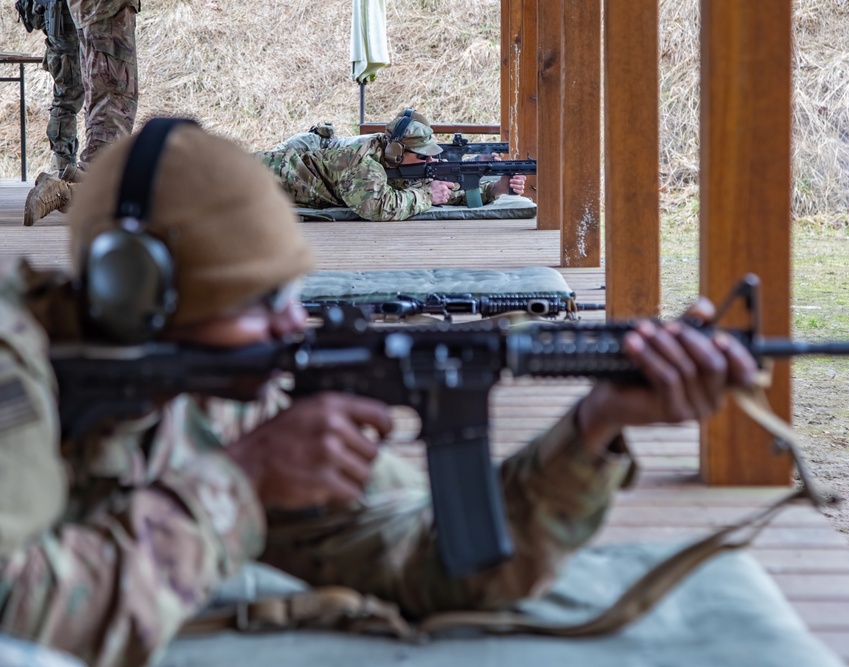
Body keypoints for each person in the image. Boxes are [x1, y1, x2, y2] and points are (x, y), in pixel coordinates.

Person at [0, 122, 756, 666]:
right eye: (259, 303)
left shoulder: (225, 397)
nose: (294, 323)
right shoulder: (17, 367)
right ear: (135, 298)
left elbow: (437, 566)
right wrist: (242, 484)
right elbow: (19, 624)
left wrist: (595, 426)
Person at [255, 110, 528, 221]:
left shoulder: (397, 161)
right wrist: (425, 195)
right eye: (422, 156)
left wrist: (495, 189)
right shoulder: (363, 160)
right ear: (397, 152)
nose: (430, 161)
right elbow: (376, 207)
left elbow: (442, 192)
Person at [22, 0, 140, 227]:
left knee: (104, 100)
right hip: (106, 10)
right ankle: (68, 191)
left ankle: (79, 178)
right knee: (115, 103)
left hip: (97, 11)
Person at [14, 0, 84, 178]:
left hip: (71, 41)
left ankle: (66, 164)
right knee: (66, 101)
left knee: (71, 100)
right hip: (66, 45)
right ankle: (62, 164)